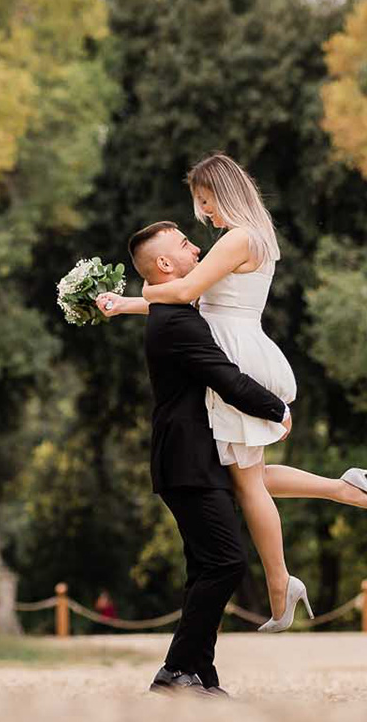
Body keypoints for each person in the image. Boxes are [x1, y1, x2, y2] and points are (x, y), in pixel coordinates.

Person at [98, 153, 367, 631]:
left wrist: (134, 295)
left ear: (223, 191)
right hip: (232, 342)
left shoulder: (238, 238)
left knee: (248, 483)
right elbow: (186, 297)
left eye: (206, 202)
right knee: (242, 476)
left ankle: (281, 587)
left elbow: (182, 289)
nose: (205, 214)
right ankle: (344, 489)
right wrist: (124, 305)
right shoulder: (245, 237)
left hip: (233, 352)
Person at [123, 219, 289, 697]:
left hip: (193, 460)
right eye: (185, 245)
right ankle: (176, 671)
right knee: (226, 563)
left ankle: (201, 675)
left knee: (206, 566)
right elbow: (225, 377)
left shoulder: (174, 310)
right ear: (165, 264)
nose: (198, 249)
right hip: (186, 461)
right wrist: (277, 410)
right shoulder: (175, 321)